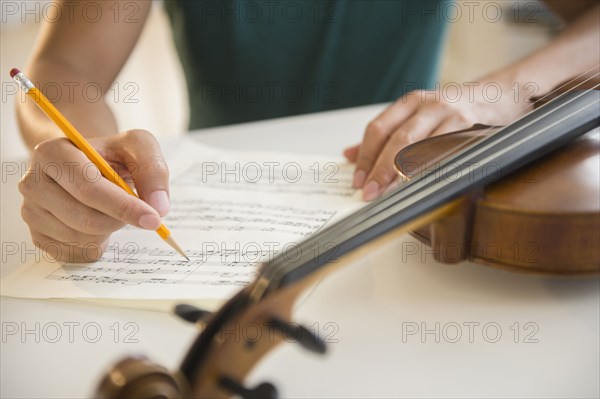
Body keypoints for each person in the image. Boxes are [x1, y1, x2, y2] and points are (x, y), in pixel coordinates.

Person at [16, 0, 599, 262]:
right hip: (214, 190)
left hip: (400, 191)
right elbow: (66, 69)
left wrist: (504, 91)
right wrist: (82, 153)